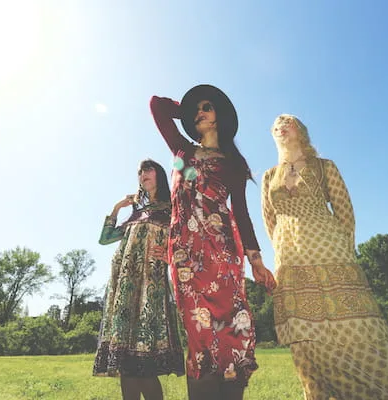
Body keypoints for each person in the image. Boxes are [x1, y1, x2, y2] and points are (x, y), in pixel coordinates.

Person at [261, 114, 388, 400]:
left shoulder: (325, 167)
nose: (280, 126)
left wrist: (342, 251)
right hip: (290, 261)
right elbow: (269, 220)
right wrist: (282, 251)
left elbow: (345, 213)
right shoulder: (268, 176)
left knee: (355, 332)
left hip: (330, 252)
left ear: (300, 131)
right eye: (276, 125)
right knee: (304, 340)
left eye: (286, 122)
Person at [150, 85, 276, 400]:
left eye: (206, 107)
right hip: (185, 257)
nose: (199, 113)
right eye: (196, 110)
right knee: (199, 332)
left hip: (222, 255)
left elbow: (241, 214)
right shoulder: (182, 151)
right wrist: (187, 110)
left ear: (220, 115)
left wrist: (257, 261)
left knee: (231, 327)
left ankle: (232, 390)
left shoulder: (232, 162)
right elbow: (157, 106)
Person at [93, 159, 185, 400]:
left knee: (145, 363)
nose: (142, 174)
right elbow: (105, 238)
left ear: (159, 174)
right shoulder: (137, 213)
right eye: (139, 172)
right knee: (126, 364)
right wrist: (117, 208)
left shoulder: (172, 208)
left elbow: (186, 242)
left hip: (150, 287)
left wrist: (171, 255)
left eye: (147, 169)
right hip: (124, 287)